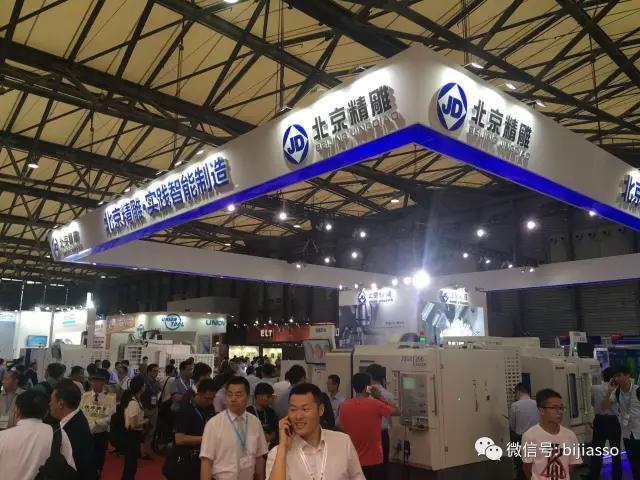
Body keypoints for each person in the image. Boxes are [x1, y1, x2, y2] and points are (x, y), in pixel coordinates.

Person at [267, 383, 365, 480]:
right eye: (293, 409)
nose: (298, 416)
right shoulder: (277, 453)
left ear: (320, 410)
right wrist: (283, 447)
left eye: (305, 409)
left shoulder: (342, 442)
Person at [200, 376, 268, 480]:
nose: (233, 399)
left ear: (248, 397)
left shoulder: (255, 422)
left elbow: (259, 457)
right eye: (229, 394)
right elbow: (206, 462)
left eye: (238, 395)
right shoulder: (214, 424)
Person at [0, 390, 75, 480]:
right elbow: (69, 469)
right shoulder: (58, 434)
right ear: (46, 413)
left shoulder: (2, 437)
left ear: (17, 410)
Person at [340, 373, 399, 480]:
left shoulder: (344, 406)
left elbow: (342, 427)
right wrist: (379, 397)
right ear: (366, 387)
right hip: (374, 459)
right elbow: (397, 411)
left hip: (353, 459)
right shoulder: (376, 405)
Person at [521, 389, 581, 480]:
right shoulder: (530, 436)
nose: (559, 412)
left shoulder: (570, 435)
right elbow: (527, 467)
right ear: (541, 410)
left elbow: (571, 466)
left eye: (561, 408)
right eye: (554, 408)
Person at [164, 378, 217, 480]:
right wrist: (205, 438)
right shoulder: (185, 408)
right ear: (199, 394)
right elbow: (179, 439)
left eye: (213, 398)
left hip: (202, 457)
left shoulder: (210, 408)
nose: (210, 402)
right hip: (184, 459)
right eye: (207, 398)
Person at [50, 378, 98, 479]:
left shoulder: (73, 431)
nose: (49, 404)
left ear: (61, 404)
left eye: (51, 400)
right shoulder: (76, 418)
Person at [602, 365, 640, 477]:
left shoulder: (637, 390)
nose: (617, 379)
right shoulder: (617, 392)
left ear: (628, 375)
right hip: (627, 434)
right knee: (634, 464)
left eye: (619, 375)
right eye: (615, 376)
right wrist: (609, 391)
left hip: (639, 432)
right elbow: (604, 407)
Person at [585, 367, 621, 480]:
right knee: (615, 450)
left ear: (602, 376)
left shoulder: (594, 388)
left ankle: (593, 474)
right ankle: (616, 476)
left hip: (599, 420)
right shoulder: (617, 390)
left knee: (597, 449)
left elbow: (592, 403)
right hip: (613, 420)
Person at [81, 368, 117, 478]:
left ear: (104, 382)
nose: (95, 383)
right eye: (93, 380)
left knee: (99, 457)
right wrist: (87, 424)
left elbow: (110, 416)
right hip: (87, 432)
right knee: (86, 457)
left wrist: (96, 423)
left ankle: (97, 473)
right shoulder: (85, 396)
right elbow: (81, 412)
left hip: (101, 433)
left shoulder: (110, 397)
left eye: (98, 380)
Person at [365, 363, 395, 469]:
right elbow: (394, 411)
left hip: (367, 435)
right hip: (383, 435)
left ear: (369, 376)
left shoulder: (365, 394)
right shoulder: (388, 394)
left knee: (367, 467)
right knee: (382, 467)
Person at [510, 383, 540, 480]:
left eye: (515, 393)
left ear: (518, 392)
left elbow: (512, 426)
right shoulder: (537, 404)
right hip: (537, 438)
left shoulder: (515, 405)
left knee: (521, 466)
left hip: (521, 439)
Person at [121, 376, 148, 480]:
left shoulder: (136, 400)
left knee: (131, 464)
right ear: (141, 387)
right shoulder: (134, 403)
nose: (145, 386)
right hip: (132, 435)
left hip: (133, 435)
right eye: (144, 384)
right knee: (130, 465)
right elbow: (133, 425)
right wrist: (145, 421)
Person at [140, 363, 161, 458]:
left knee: (151, 431)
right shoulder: (143, 381)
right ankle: (140, 450)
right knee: (142, 431)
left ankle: (146, 450)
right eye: (154, 371)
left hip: (154, 408)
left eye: (157, 371)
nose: (156, 373)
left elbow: (158, 393)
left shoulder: (156, 382)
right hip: (144, 408)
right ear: (149, 371)